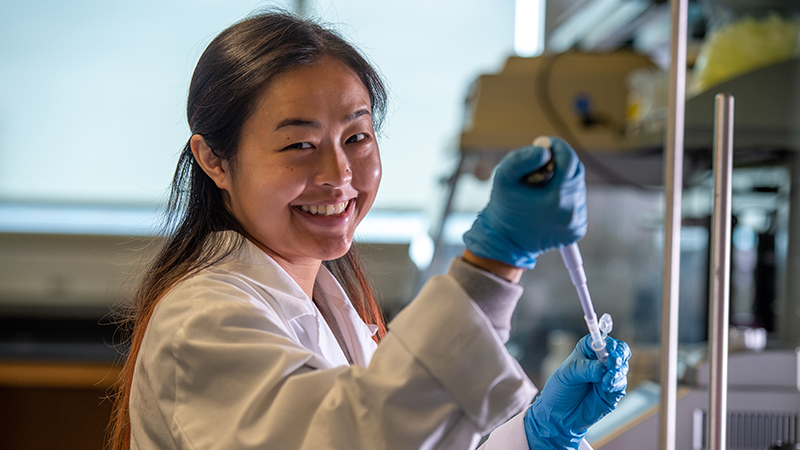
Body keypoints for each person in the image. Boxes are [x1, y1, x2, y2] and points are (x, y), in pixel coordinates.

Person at [109, 10, 630, 450]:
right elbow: (354, 436)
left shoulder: (329, 306)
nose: (339, 175)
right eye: (299, 145)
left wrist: (535, 435)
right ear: (214, 160)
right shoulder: (202, 323)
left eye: (356, 137)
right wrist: (494, 264)